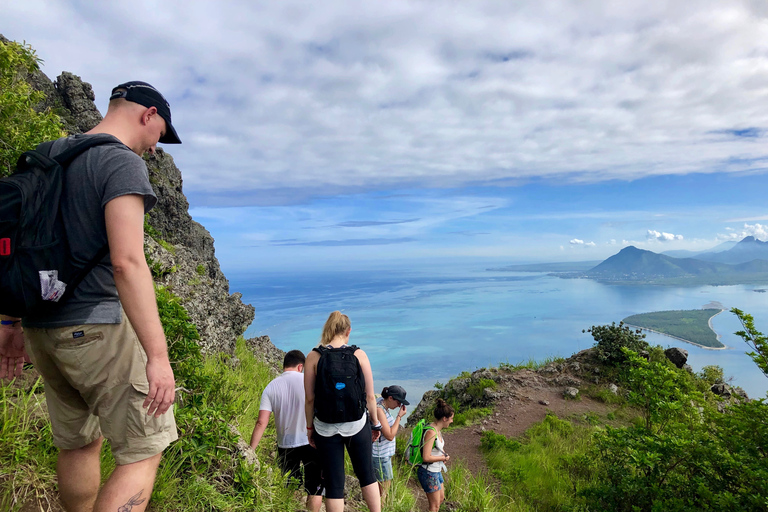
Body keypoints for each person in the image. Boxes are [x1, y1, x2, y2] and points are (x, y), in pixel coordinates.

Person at [0, 80, 181, 512]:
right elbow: (127, 263)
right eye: (161, 134)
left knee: (79, 444)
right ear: (148, 114)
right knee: (144, 448)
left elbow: (20, 246)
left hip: (43, 329)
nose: (157, 147)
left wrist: (10, 322)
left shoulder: (49, 156)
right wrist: (158, 356)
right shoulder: (120, 163)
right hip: (97, 329)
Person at [304, 311, 382, 512]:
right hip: (357, 424)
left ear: (328, 329)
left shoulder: (313, 356)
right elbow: (370, 397)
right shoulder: (359, 355)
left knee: (334, 485)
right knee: (367, 476)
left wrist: (310, 428)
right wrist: (375, 423)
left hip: (325, 427)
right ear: (348, 331)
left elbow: (310, 399)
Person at [249, 350, 323, 512]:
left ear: (284, 365)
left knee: (289, 488)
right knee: (315, 488)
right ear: (300, 366)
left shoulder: (271, 387)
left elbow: (261, 422)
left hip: (285, 445)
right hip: (311, 441)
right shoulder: (309, 382)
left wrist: (250, 451)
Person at [372, 385, 409, 500]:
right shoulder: (379, 410)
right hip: (381, 456)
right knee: (384, 493)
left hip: (382, 455)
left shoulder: (382, 405)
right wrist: (399, 417)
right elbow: (389, 435)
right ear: (390, 398)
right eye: (398, 402)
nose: (399, 406)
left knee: (381, 491)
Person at [418, 398, 455, 512]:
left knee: (440, 499)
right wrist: (443, 458)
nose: (452, 421)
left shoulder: (437, 430)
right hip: (428, 471)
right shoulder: (431, 432)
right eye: (451, 418)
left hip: (435, 470)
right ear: (444, 418)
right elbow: (426, 457)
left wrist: (442, 456)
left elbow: (437, 448)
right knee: (434, 506)